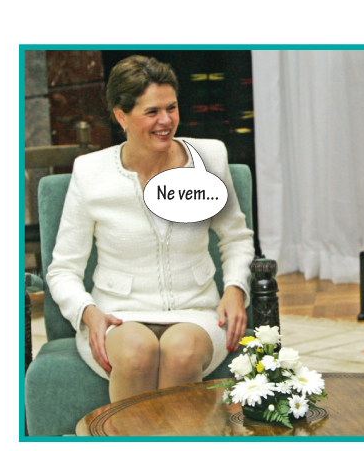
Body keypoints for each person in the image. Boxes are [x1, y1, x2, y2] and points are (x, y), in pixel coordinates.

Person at [46, 55, 255, 402]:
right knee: (136, 351)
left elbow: (236, 239)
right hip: (117, 315)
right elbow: (63, 269)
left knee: (182, 350)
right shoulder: (90, 173)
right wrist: (88, 313)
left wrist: (234, 288)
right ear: (121, 116)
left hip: (196, 312)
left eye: (171, 108)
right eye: (152, 112)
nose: (166, 121)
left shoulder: (209, 158)